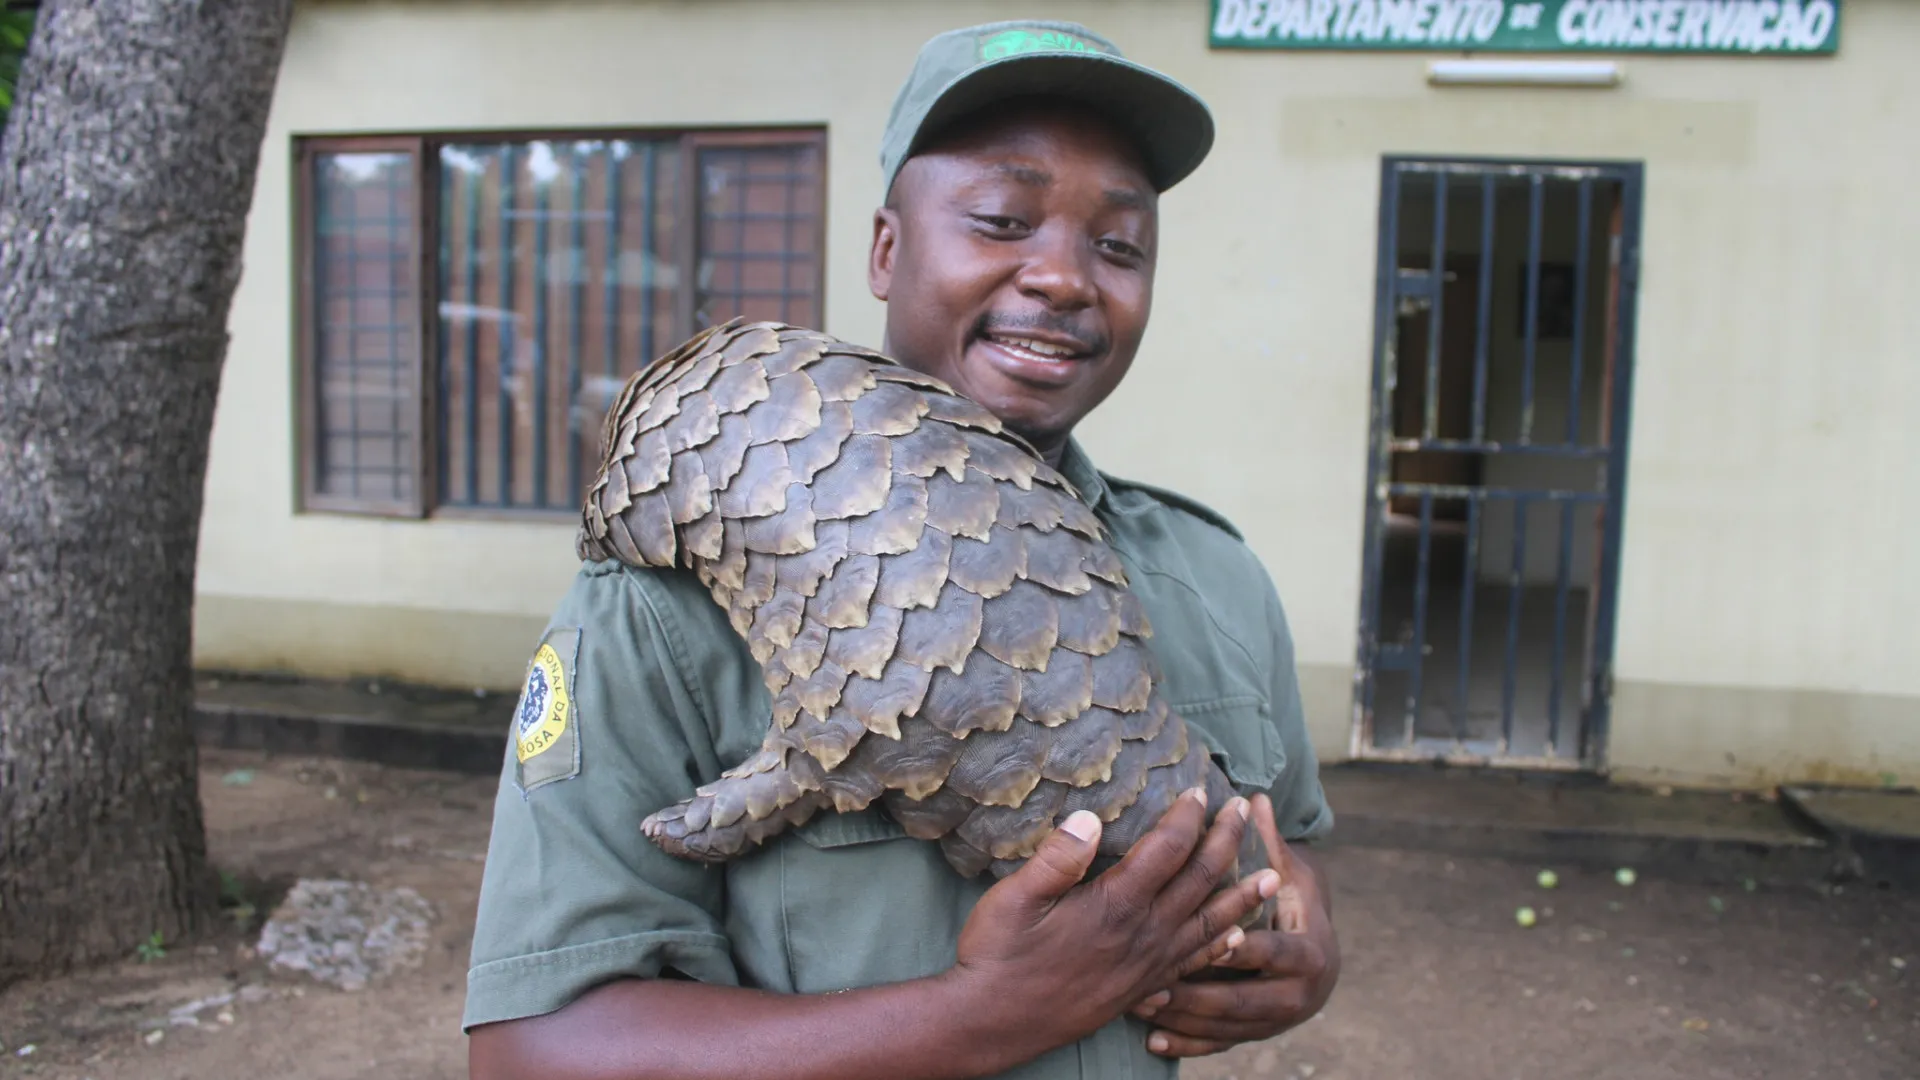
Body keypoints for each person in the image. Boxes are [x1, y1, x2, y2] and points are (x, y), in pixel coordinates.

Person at [465, 20, 1340, 1080]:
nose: (1065, 277)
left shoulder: (1214, 578)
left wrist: (1305, 945)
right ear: (887, 251)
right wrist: (988, 1015)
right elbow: (534, 1051)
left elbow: (1290, 850)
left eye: (1119, 246)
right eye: (1003, 220)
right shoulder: (669, 602)